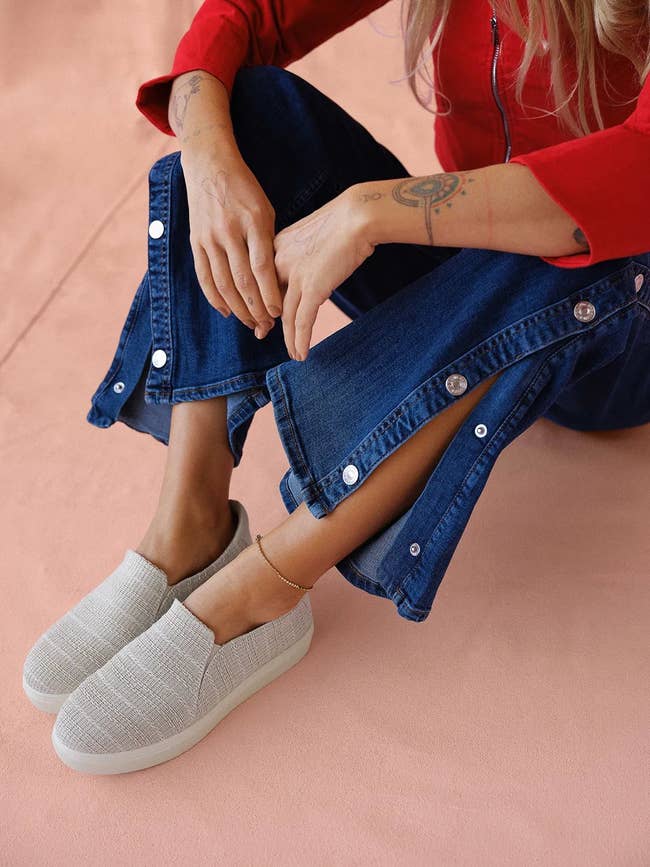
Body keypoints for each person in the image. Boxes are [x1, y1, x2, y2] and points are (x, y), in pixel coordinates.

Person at [23, 0, 650, 774]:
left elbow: (639, 172)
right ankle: (190, 523)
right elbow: (244, 16)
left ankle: (265, 591)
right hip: (469, 267)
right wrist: (209, 159)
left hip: (622, 333)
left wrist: (368, 211)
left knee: (586, 228)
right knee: (251, 106)